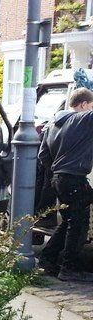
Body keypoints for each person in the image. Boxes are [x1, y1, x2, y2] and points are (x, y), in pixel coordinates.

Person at [39, 87, 93, 281]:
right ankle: (69, 268)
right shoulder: (83, 119)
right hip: (74, 179)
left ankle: (47, 259)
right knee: (78, 224)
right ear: (84, 104)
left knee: (69, 221)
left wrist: (58, 170)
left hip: (58, 179)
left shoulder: (52, 124)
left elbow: (43, 155)